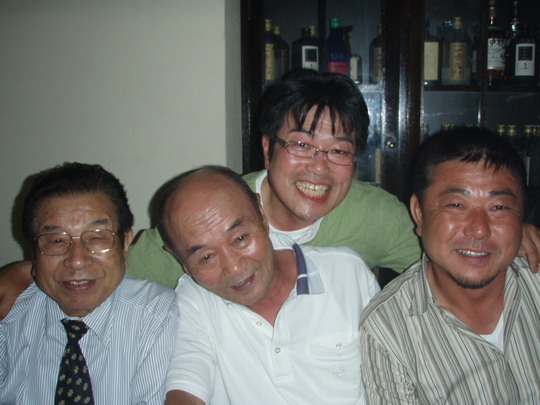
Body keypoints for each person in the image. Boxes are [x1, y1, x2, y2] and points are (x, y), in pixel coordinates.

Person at [1, 69, 539, 312]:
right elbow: (114, 264)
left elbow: (452, 246)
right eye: (301, 144)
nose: (319, 168)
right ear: (267, 148)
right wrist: (25, 272)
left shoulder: (376, 214)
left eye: (339, 150)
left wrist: (517, 234)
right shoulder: (213, 215)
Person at [159, 165, 380, 404]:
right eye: (206, 257)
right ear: (182, 262)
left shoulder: (346, 272)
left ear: (262, 215)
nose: (234, 268)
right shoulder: (195, 298)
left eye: (240, 238)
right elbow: (187, 383)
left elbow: (388, 375)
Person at [359, 127, 540, 404]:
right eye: (456, 205)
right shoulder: (388, 329)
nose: (479, 229)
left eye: (499, 207)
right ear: (419, 213)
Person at [0, 162, 179, 404]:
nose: (76, 261)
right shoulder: (9, 317)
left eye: (96, 238)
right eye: (56, 241)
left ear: (125, 244)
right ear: (33, 250)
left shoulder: (158, 315)